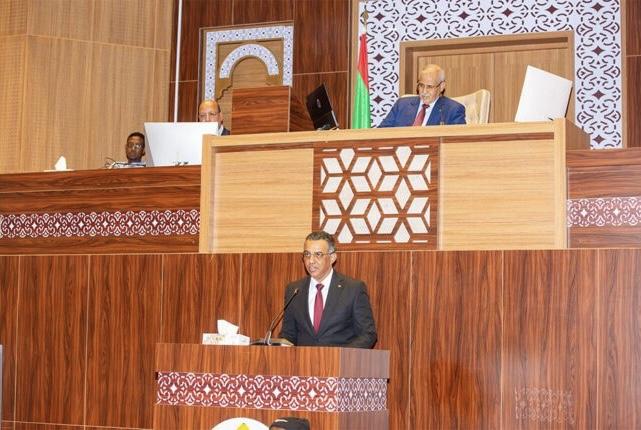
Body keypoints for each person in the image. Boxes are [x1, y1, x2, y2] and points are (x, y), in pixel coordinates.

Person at [279, 231, 377, 348]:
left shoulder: (353, 289)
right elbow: (288, 334)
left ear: (332, 257)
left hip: (341, 359)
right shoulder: (294, 290)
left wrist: (342, 355)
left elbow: (367, 334)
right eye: (307, 254)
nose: (311, 261)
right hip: (303, 359)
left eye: (318, 254)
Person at [379, 64, 466, 127]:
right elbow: (381, 132)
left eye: (430, 87)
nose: (424, 91)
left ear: (441, 86)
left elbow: (457, 141)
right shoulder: (402, 105)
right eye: (421, 85)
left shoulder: (453, 110)